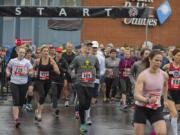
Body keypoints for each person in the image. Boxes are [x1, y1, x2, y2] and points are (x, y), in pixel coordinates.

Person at [134, 50, 168, 135]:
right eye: (156, 60)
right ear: (150, 59)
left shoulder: (164, 75)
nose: (158, 63)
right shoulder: (143, 75)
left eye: (160, 61)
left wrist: (165, 99)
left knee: (162, 132)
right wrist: (148, 100)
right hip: (141, 108)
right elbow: (136, 95)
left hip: (155, 108)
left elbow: (165, 85)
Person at [70, 42, 100, 133]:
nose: (88, 48)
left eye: (90, 46)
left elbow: (98, 68)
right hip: (80, 84)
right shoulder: (77, 58)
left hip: (90, 84)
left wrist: (97, 76)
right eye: (87, 46)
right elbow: (70, 67)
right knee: (83, 103)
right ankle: (83, 124)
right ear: (82, 48)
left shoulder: (94, 58)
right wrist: (73, 76)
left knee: (86, 106)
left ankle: (78, 106)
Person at [6, 47, 33, 128]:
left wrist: (29, 73)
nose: (21, 54)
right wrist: (8, 73)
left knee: (21, 102)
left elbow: (31, 70)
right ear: (17, 52)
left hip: (23, 83)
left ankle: (19, 110)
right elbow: (8, 68)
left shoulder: (27, 62)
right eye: (20, 52)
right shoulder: (12, 61)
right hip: (14, 82)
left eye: (23, 53)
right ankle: (16, 119)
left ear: (24, 54)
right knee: (16, 101)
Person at [33, 45, 60, 122]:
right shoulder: (37, 61)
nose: (46, 52)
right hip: (39, 81)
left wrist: (56, 69)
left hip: (47, 81)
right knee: (41, 95)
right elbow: (32, 69)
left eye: (47, 51)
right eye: (44, 51)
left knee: (43, 98)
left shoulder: (51, 60)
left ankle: (37, 111)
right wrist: (32, 72)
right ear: (41, 52)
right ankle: (39, 114)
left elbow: (57, 70)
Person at [163, 48, 180, 135]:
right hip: (170, 91)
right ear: (173, 56)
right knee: (175, 114)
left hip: (179, 92)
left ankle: (166, 117)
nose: (179, 57)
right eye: (178, 55)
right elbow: (161, 75)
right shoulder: (168, 66)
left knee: (176, 112)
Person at [51, 47, 68, 118]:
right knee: (54, 94)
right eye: (58, 52)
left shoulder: (63, 61)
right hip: (53, 80)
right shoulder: (52, 60)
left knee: (58, 95)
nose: (58, 54)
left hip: (60, 80)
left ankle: (54, 104)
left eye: (60, 52)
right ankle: (55, 109)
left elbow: (65, 70)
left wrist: (58, 66)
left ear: (61, 53)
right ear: (55, 53)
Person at [62, 42, 76, 107]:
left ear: (72, 48)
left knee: (70, 87)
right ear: (66, 48)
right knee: (65, 85)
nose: (69, 48)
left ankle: (69, 96)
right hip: (64, 72)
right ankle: (66, 100)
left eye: (70, 47)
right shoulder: (63, 54)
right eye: (68, 47)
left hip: (72, 73)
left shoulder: (75, 55)